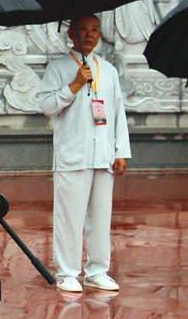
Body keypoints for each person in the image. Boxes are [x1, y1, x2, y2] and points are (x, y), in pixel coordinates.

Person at [37, 15, 131, 293]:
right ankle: (67, 272)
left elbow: (117, 112)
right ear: (70, 33)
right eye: (83, 29)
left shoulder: (109, 71)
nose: (89, 35)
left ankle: (97, 270)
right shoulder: (58, 68)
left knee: (101, 215)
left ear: (100, 35)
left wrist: (121, 150)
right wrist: (75, 85)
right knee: (70, 215)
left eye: (94, 30)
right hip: (73, 153)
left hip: (103, 153)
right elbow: (47, 106)